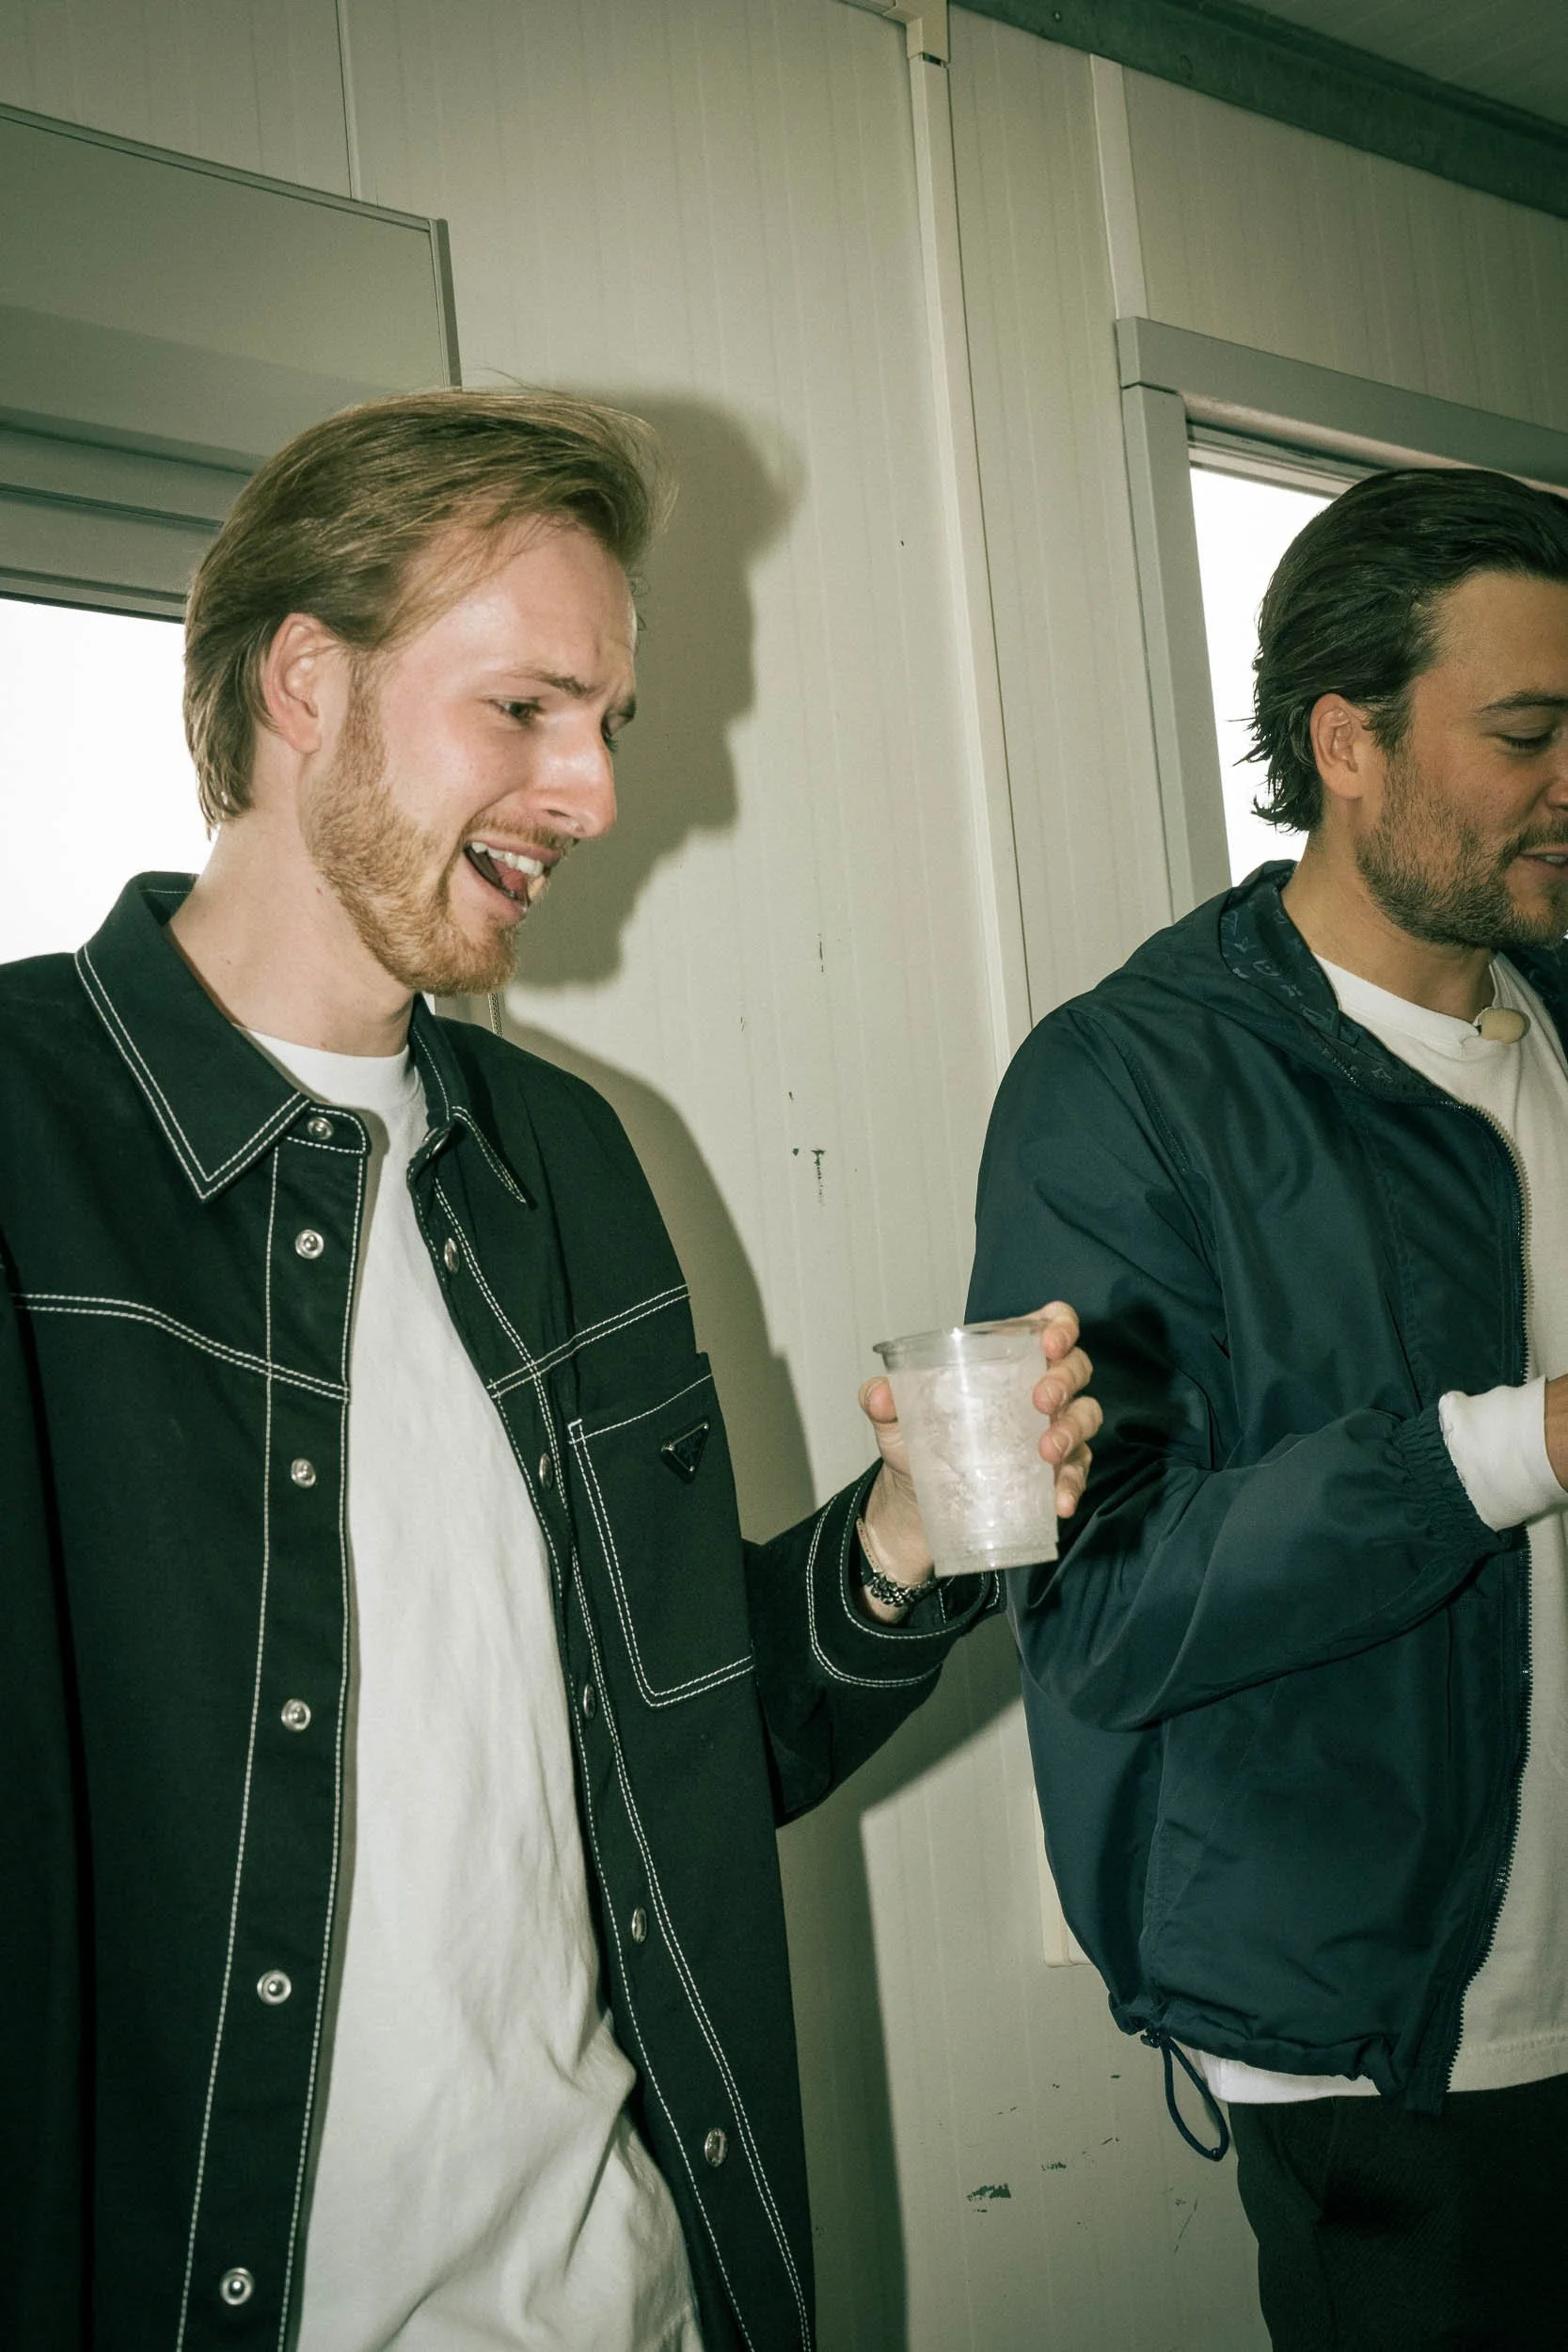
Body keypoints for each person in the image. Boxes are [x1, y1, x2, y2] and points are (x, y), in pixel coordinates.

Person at [0, 389, 1100, 2352]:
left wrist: (900, 1547)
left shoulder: (562, 1165)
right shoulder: (23, 1141)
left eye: (606, 724)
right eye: (524, 709)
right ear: (306, 684)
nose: (591, 791)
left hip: (631, 2299)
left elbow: (673, 1757)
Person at [969, 466, 1568, 2349]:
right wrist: (1521, 1443)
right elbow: (1102, 1602)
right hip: (1395, 2042)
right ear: (1345, 740)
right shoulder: (1121, 1087)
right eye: (1526, 731)